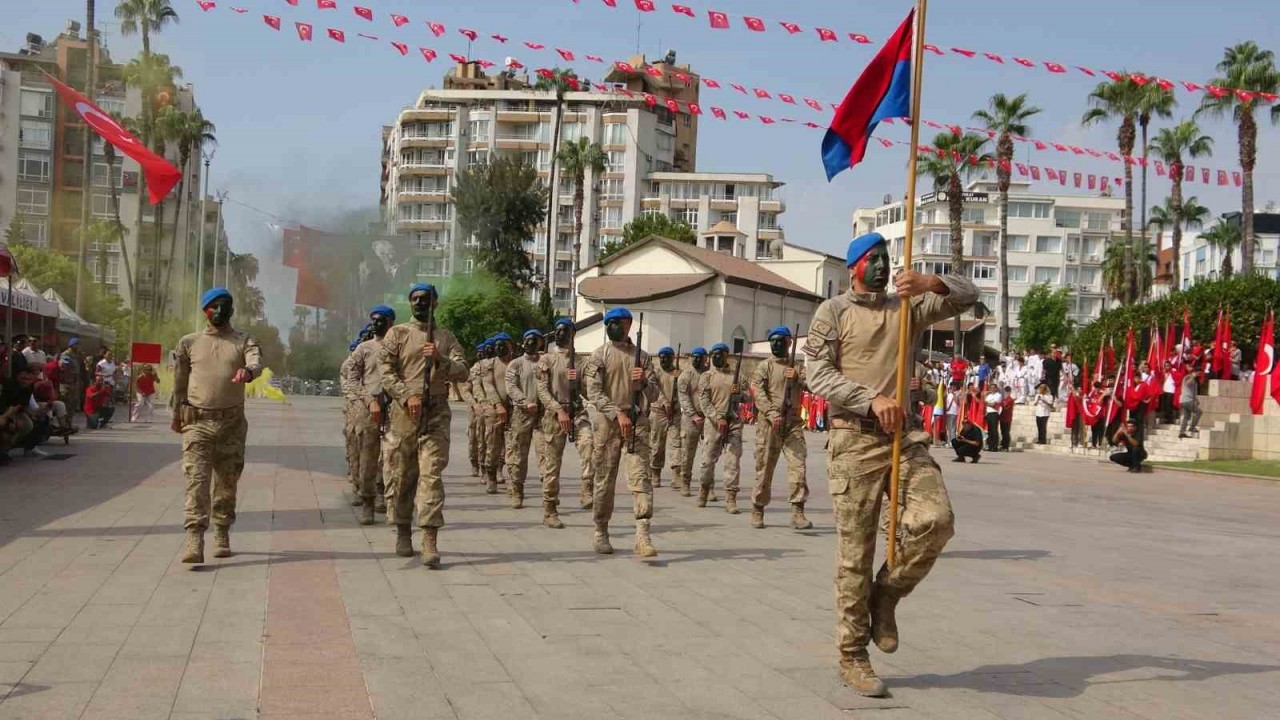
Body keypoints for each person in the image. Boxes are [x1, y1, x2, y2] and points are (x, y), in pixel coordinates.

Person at [804, 231, 976, 697]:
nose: (883, 266)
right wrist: (869, 399)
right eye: (873, 259)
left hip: (905, 440)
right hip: (853, 443)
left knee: (935, 521)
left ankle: (887, 595)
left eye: (887, 259)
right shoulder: (833, 312)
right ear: (853, 267)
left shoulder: (908, 307)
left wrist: (931, 284)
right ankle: (852, 655)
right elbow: (816, 372)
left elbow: (970, 296)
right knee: (854, 556)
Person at [378, 284, 467, 566]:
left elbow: (463, 371)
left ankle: (429, 538)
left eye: (425, 300)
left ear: (435, 303)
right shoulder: (398, 334)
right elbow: (386, 372)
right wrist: (406, 395)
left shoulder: (445, 338)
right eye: (415, 299)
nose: (419, 303)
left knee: (431, 476)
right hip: (405, 414)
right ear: (409, 303)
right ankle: (404, 530)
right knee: (404, 474)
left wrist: (439, 360)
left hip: (436, 412)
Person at [171, 287, 262, 564]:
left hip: (232, 423)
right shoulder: (188, 343)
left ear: (232, 310)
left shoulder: (243, 340)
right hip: (198, 421)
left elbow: (255, 362)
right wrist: (176, 414)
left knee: (227, 481)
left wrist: (248, 371)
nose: (220, 311)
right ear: (205, 311)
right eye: (214, 306)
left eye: (226, 306)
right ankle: (194, 537)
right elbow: (179, 381)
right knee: (196, 480)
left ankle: (222, 531)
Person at [582, 307, 658, 557]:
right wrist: (617, 413)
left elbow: (656, 394)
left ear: (628, 325)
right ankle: (600, 530)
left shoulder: (643, 358)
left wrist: (644, 382)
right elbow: (594, 393)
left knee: (641, 478)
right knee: (604, 479)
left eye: (618, 322)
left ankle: (642, 534)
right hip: (608, 424)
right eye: (609, 322)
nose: (613, 326)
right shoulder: (599, 356)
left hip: (637, 423)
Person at [749, 326, 810, 530]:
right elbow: (759, 393)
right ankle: (758, 508)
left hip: (792, 423)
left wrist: (798, 379)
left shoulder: (797, 367)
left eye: (780, 341)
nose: (776, 344)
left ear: (789, 343)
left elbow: (814, 385)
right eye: (772, 341)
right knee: (765, 467)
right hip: (769, 423)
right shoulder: (764, 367)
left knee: (798, 465)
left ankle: (797, 511)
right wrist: (771, 413)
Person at [345, 306, 395, 523]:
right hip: (370, 407)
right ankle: (367, 500)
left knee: (392, 456)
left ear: (390, 322)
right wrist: (368, 399)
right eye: (373, 320)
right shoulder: (364, 348)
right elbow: (351, 376)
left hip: (395, 406)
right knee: (368, 457)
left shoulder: (399, 347)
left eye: (381, 320)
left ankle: (385, 495)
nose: (376, 324)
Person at [534, 317, 584, 529]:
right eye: (558, 330)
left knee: (591, 446)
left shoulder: (581, 361)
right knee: (552, 464)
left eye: (566, 330)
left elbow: (591, 390)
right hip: (555, 413)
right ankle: (549, 508)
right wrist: (558, 410)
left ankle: (587, 490)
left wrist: (578, 379)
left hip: (577, 411)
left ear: (573, 333)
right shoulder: (547, 359)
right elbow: (542, 390)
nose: (561, 334)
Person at [696, 343, 744, 513]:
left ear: (726, 355)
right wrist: (717, 418)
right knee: (708, 460)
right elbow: (704, 401)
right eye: (713, 354)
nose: (716, 357)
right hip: (713, 423)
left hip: (734, 422)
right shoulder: (707, 376)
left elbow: (748, 399)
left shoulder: (737, 376)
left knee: (732, 461)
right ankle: (704, 490)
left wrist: (739, 393)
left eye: (719, 354)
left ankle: (731, 498)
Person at [503, 329, 545, 511]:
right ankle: (517, 489)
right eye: (527, 339)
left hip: (544, 414)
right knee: (519, 454)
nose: (530, 343)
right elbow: (511, 387)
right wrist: (525, 401)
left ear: (540, 343)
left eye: (534, 340)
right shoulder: (515, 364)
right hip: (522, 413)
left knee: (546, 454)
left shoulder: (546, 362)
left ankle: (548, 493)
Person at [480, 333, 515, 495]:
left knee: (513, 447)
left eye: (503, 345)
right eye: (497, 346)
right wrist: (498, 405)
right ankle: (491, 477)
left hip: (515, 411)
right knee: (493, 445)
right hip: (495, 410)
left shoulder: (516, 363)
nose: (499, 348)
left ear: (510, 346)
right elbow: (488, 385)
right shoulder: (490, 364)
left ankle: (512, 480)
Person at [674, 346, 708, 497]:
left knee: (709, 454)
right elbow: (683, 398)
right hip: (690, 418)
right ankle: (685, 482)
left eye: (700, 356)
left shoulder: (709, 375)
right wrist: (694, 415)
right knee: (687, 452)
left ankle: (707, 486)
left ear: (706, 358)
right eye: (694, 356)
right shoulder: (685, 376)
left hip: (708, 417)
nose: (697, 359)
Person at [648, 346, 681, 490]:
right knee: (657, 444)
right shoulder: (655, 373)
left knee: (676, 444)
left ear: (672, 358)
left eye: (667, 357)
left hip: (675, 413)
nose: (664, 360)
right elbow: (654, 390)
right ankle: (655, 472)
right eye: (661, 357)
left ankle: (676, 475)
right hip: (658, 411)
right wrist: (665, 402)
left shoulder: (679, 374)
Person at [0, 356, 40, 461]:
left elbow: (22, 405)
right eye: (24, 378)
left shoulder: (28, 387)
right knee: (9, 426)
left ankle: (7, 448)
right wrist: (9, 416)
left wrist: (31, 414)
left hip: (16, 410)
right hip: (6, 410)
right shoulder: (9, 384)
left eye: (29, 379)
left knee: (28, 425)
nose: (26, 381)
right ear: (17, 376)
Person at [466, 342, 489, 477]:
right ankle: (474, 462)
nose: (481, 354)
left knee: (488, 438)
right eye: (479, 352)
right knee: (474, 437)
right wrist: (474, 404)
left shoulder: (493, 367)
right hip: (475, 409)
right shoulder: (474, 369)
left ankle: (489, 466)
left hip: (490, 407)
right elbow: (466, 390)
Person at [58, 339, 83, 414]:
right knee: (67, 401)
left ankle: (69, 422)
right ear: (73, 345)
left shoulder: (76, 355)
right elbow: (63, 367)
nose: (79, 347)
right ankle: (65, 423)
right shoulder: (66, 354)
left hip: (74, 381)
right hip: (67, 382)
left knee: (73, 402)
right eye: (77, 345)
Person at [1178, 371, 1202, 438]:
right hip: (1187, 400)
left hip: (1185, 400)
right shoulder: (1188, 377)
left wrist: (1196, 400)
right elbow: (1188, 383)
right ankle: (1192, 427)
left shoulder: (1194, 380)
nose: (1199, 374)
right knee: (1199, 412)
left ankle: (1182, 432)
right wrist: (1193, 376)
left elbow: (1192, 392)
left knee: (1186, 416)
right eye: (1199, 373)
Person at [983, 384, 1002, 452]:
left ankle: (995, 446)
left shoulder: (998, 395)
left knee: (994, 430)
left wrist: (987, 403)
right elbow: (984, 402)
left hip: (994, 413)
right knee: (990, 430)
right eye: (991, 388)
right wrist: (985, 397)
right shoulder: (989, 395)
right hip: (988, 413)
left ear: (996, 388)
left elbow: (993, 404)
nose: (992, 389)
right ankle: (990, 446)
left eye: (994, 388)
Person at [998, 386, 1014, 452]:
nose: (1006, 392)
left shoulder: (1011, 399)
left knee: (1006, 432)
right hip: (1002, 417)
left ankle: (1006, 446)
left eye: (1008, 391)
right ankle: (1002, 445)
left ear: (1010, 392)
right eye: (1006, 391)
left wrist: (1003, 404)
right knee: (1002, 432)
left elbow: (1006, 407)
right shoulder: (1004, 399)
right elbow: (1000, 405)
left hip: (1007, 418)